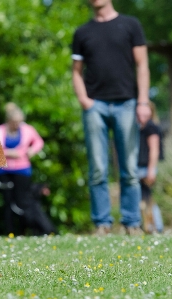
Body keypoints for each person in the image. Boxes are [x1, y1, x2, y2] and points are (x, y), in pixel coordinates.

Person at [71, 0, 151, 235]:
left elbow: (143, 65)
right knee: (97, 168)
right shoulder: (82, 32)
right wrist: (84, 100)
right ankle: (102, 223)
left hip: (126, 103)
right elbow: (76, 71)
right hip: (95, 106)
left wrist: (143, 101)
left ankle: (131, 222)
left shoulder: (131, 25)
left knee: (129, 168)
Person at [0, 102, 44, 235]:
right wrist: (10, 153)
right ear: (8, 120)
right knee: (8, 202)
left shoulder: (27, 129)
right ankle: (10, 232)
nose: (17, 125)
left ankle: (25, 231)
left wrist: (32, 150)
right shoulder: (0, 130)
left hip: (22, 170)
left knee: (23, 202)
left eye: (19, 122)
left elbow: (39, 142)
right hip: (4, 170)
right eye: (14, 122)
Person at [137, 101, 164, 233]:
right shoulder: (141, 127)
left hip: (145, 168)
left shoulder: (150, 127)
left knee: (147, 200)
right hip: (140, 167)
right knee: (143, 199)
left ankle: (156, 226)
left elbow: (154, 150)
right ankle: (149, 226)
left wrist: (151, 170)